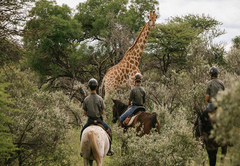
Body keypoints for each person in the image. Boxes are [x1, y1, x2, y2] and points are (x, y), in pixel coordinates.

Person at [80, 78, 114, 156]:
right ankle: (109, 150)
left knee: (82, 132)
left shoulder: (86, 99)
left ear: (89, 87)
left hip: (90, 121)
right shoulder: (100, 99)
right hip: (99, 120)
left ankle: (82, 151)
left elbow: (85, 113)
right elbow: (102, 111)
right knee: (110, 130)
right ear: (96, 87)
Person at [198, 66, 225, 141]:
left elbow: (207, 99)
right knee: (229, 115)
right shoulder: (221, 83)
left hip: (212, 105)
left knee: (200, 117)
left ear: (211, 75)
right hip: (221, 105)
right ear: (217, 74)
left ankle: (201, 137)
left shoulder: (209, 83)